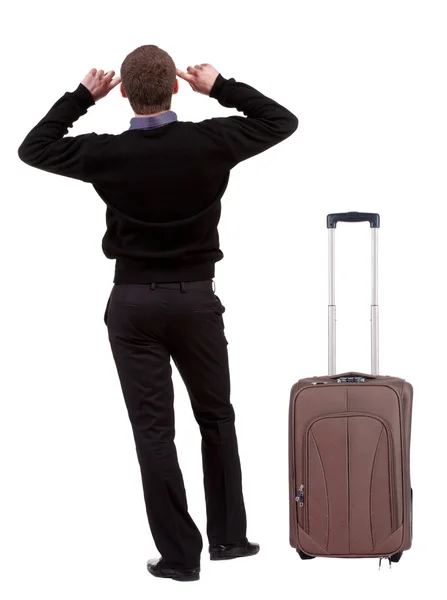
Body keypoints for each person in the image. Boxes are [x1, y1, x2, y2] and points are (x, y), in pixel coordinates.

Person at [17, 44, 298, 583]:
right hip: (195, 301)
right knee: (216, 417)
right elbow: (280, 120)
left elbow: (34, 148)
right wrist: (219, 87)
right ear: (174, 88)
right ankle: (230, 539)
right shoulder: (212, 141)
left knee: (154, 433)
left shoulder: (106, 153)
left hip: (133, 306)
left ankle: (179, 557)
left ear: (121, 92)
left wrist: (80, 97)